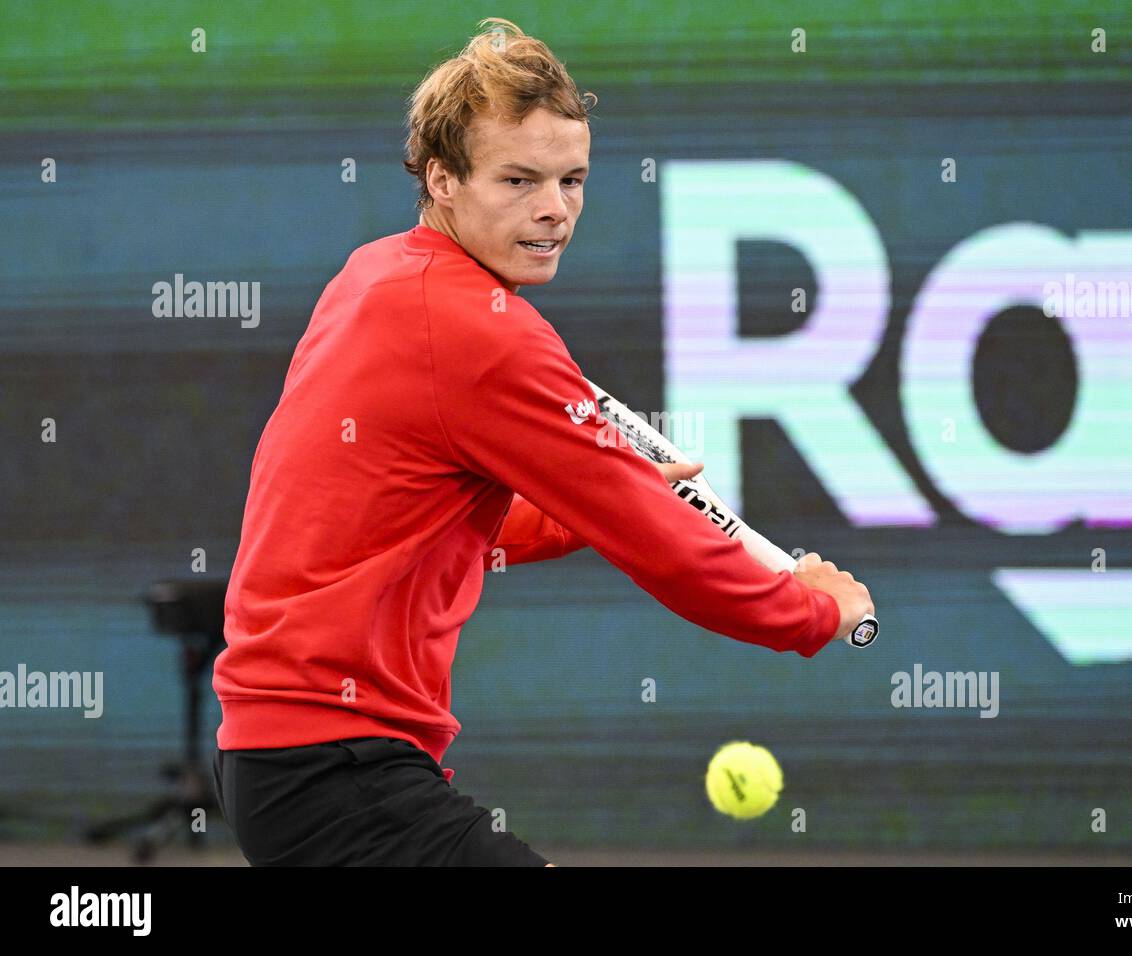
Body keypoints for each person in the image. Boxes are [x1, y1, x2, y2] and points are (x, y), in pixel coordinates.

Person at [210, 17, 873, 867]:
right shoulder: (486, 333)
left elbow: (427, 515)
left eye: (572, 179)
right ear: (442, 178)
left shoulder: (374, 275)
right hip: (337, 768)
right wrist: (813, 610)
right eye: (518, 179)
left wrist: (585, 502)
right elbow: (666, 549)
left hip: (284, 759)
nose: (553, 209)